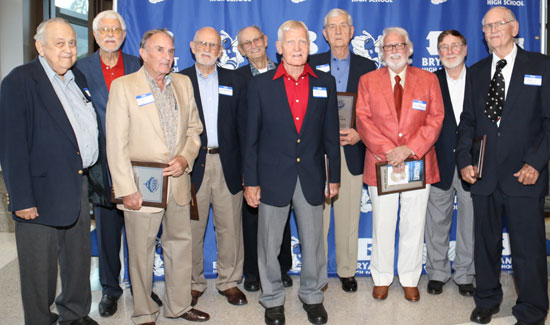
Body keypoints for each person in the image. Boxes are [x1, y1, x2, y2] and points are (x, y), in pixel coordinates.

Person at [0, 18, 110, 325]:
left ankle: (74, 314)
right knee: (40, 268)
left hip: (77, 184)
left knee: (76, 259)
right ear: (40, 47)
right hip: (39, 193)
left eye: (72, 43)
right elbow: (12, 147)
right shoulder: (20, 82)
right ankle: (39, 319)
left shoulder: (77, 78)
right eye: (59, 43)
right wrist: (22, 199)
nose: (68, 50)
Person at [106, 28, 209, 324]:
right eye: (160, 50)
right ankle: (143, 312)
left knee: (179, 245)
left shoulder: (183, 83)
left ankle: (177, 306)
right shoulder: (124, 86)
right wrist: (126, 188)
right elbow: (116, 143)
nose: (167, 56)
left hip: (177, 181)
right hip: (141, 186)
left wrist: (185, 158)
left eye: (171, 50)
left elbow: (194, 130)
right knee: (141, 252)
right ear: (143, 53)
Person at [456, 6, 550, 325]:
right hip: (484, 176)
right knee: (485, 245)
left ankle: (533, 309)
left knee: (529, 248)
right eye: (487, 26)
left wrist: (535, 163)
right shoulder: (478, 71)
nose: (493, 30)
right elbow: (467, 122)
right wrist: (465, 162)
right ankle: (487, 299)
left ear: (514, 27)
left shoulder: (540, 65)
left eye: (500, 24)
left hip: (525, 175)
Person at [244, 20, 340, 325]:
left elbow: (330, 135)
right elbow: (251, 139)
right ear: (279, 47)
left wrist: (333, 176)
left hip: (311, 175)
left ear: (309, 47)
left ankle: (312, 296)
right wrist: (251, 182)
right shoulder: (260, 84)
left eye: (303, 42)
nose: (297, 48)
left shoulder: (325, 83)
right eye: (291, 43)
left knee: (313, 243)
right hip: (272, 177)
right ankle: (272, 299)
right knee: (269, 244)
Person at [75, 10, 163, 317]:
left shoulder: (138, 64)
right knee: (108, 230)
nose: (110, 34)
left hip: (140, 160)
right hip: (102, 163)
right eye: (104, 30)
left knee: (141, 231)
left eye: (116, 29)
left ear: (124, 35)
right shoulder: (80, 68)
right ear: (96, 35)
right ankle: (111, 289)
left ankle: (142, 287)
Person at [356, 26, 444, 302]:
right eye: (388, 47)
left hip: (418, 162)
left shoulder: (428, 79)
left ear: (410, 49)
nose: (394, 51)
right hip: (381, 163)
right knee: (382, 223)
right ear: (381, 52)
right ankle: (381, 277)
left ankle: (409, 278)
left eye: (399, 45)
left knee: (413, 223)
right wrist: (389, 152)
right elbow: (363, 120)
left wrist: (409, 149)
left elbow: (435, 118)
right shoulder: (368, 80)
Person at [308, 8, 376, 293]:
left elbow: (376, 111)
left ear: (351, 31)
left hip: (351, 151)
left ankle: (347, 270)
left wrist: (360, 133)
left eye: (342, 26)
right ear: (324, 34)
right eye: (331, 27)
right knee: (317, 219)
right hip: (317, 154)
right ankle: (318, 274)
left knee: (348, 215)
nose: (337, 31)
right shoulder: (310, 63)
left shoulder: (368, 67)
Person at [181, 26, 248, 307]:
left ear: (221, 51)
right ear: (192, 46)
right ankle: (193, 283)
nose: (208, 49)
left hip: (228, 163)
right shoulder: (178, 80)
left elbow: (245, 127)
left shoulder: (235, 80)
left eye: (214, 45)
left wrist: (248, 170)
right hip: (192, 164)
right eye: (202, 44)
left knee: (230, 227)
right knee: (191, 229)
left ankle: (229, 281)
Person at [236, 24, 294, 292]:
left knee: (280, 214)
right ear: (240, 49)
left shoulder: (285, 72)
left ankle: (281, 267)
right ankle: (251, 272)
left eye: (256, 40)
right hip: (250, 156)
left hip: (279, 157)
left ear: (266, 40)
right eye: (246, 43)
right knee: (251, 217)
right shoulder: (236, 78)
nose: (253, 46)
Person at [425, 29, 475, 297]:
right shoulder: (429, 81)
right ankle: (437, 273)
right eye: (444, 47)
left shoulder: (480, 78)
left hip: (472, 165)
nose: (450, 51)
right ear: (438, 52)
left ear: (465, 49)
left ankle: (466, 274)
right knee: (436, 221)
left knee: (470, 222)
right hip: (438, 161)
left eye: (455, 46)